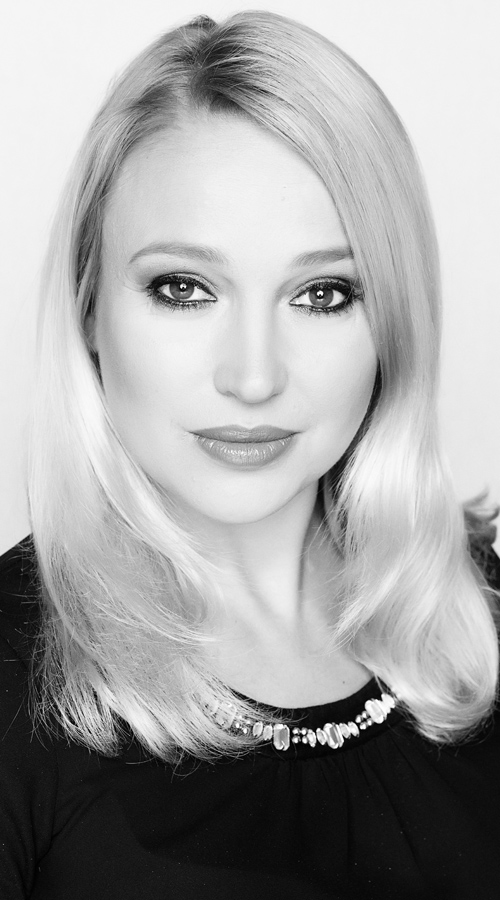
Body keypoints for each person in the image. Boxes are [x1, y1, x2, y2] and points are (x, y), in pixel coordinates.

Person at [1, 10, 499, 899]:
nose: (255, 377)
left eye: (323, 293)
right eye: (183, 288)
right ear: (88, 307)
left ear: (394, 321)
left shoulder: (479, 611)